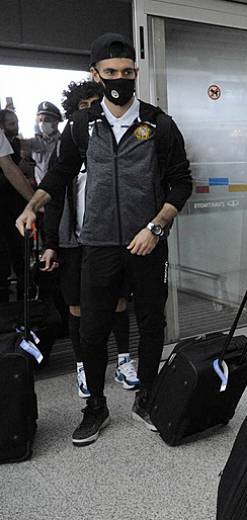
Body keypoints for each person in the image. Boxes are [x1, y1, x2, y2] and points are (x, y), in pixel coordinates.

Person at [16, 33, 193, 447]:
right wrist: (32, 207)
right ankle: (95, 405)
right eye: (111, 72)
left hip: (147, 242)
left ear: (136, 73)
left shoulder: (158, 124)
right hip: (96, 244)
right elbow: (58, 176)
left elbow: (181, 184)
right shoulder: (81, 125)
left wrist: (156, 227)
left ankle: (146, 397)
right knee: (92, 330)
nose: (120, 79)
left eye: (128, 72)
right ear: (95, 74)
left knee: (151, 323)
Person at [40, 80, 137, 399]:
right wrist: (51, 243)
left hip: (111, 239)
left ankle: (124, 360)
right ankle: (83, 365)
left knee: (119, 301)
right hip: (75, 241)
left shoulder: (118, 143)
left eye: (98, 105)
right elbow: (54, 197)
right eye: (85, 108)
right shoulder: (64, 147)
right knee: (78, 306)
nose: (93, 113)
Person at [0, 111, 35, 302]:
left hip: (11, 206)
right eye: (11, 123)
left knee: (15, 251)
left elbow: (10, 169)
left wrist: (34, 202)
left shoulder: (11, 141)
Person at [21, 101, 63, 185]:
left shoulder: (64, 142)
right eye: (40, 120)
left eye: (47, 119)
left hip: (59, 189)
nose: (42, 123)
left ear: (56, 121)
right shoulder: (35, 142)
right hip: (40, 189)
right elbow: (18, 145)